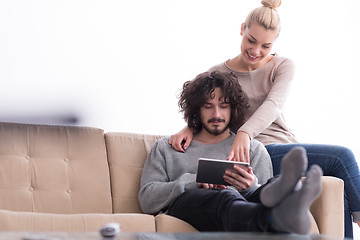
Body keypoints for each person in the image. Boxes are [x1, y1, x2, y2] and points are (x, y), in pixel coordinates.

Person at [168, 0, 360, 238]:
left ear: (274, 44)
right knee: (342, 158)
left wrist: (244, 132)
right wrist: (189, 126)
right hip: (257, 152)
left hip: (282, 147)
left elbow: (274, 104)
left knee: (336, 185)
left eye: (265, 45)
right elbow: (202, 105)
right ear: (241, 29)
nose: (256, 50)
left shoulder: (282, 66)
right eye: (251, 40)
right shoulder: (218, 73)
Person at [139, 70, 323, 234]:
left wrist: (251, 187)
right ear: (197, 110)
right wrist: (192, 182)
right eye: (208, 106)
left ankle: (289, 201)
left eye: (224, 105)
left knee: (270, 185)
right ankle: (276, 218)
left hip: (240, 207)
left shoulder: (253, 149)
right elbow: (147, 199)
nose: (216, 114)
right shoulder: (167, 147)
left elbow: (258, 197)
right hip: (188, 205)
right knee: (225, 195)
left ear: (233, 108)